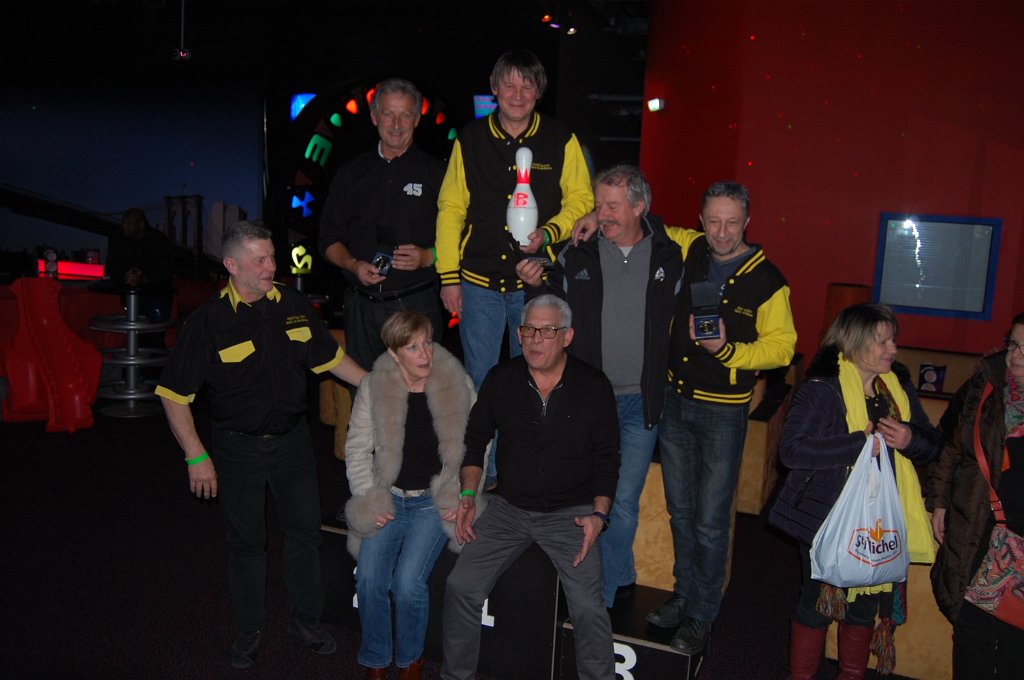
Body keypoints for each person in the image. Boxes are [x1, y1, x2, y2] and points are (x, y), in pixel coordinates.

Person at [155, 220, 367, 670]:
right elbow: (173, 395)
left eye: (272, 257)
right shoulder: (208, 322)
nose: (271, 266)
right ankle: (249, 629)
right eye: (260, 261)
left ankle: (306, 621)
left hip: (292, 443)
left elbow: (328, 357)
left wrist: (375, 384)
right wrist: (196, 455)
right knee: (247, 543)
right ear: (232, 266)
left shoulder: (292, 304)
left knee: (305, 534)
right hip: (237, 449)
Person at [516, 164, 683, 607]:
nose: (601, 214)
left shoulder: (670, 254)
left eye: (612, 206)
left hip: (641, 403)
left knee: (619, 502)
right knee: (582, 495)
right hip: (589, 400)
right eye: (598, 205)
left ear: (639, 206)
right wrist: (533, 286)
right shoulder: (578, 251)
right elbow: (550, 309)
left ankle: (599, 600)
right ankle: (618, 575)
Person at [435, 48, 594, 489]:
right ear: (494, 88)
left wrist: (549, 232)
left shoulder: (560, 139)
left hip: (536, 284)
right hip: (479, 282)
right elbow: (451, 209)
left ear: (538, 91)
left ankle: (524, 469)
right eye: (509, 84)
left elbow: (582, 200)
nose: (517, 93)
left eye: (527, 85)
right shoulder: (470, 139)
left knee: (536, 379)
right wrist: (449, 277)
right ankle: (482, 471)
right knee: (481, 381)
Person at [441, 294, 619, 680]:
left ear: (567, 336)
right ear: (519, 334)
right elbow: (475, 439)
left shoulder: (593, 386)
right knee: (460, 586)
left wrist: (599, 515)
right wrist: (468, 495)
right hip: (509, 508)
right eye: (528, 330)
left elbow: (607, 457)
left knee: (588, 608)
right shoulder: (501, 379)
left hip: (572, 513)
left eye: (547, 331)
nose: (535, 340)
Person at [769, 303, 942, 680]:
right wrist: (857, 445)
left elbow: (934, 444)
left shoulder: (897, 388)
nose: (893, 349)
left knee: (864, 609)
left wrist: (910, 438)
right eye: (883, 341)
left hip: (881, 517)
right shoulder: (822, 389)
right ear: (854, 341)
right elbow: (792, 451)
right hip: (825, 517)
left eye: (893, 340)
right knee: (817, 605)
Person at [343, 310, 485, 680]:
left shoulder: (456, 382)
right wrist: (368, 498)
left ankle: (410, 661)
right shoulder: (374, 387)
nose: (425, 354)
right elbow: (357, 449)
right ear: (394, 353)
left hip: (433, 500)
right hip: (388, 495)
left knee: (407, 584)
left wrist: (463, 495)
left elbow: (477, 445)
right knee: (369, 579)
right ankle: (377, 661)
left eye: (427, 343)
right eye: (412, 347)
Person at [319, 77, 446, 373]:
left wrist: (429, 256)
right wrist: (352, 265)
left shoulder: (438, 173)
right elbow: (327, 239)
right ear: (375, 117)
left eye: (405, 115)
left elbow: (464, 238)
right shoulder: (350, 173)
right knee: (365, 392)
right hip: (360, 307)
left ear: (416, 120)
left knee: (419, 393)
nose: (396, 124)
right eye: (388, 114)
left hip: (416, 304)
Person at [929, 311, 1024, 679]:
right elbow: (950, 446)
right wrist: (939, 501)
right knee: (972, 634)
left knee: (1017, 641)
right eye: (1013, 344)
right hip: (983, 528)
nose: (1016, 355)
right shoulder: (984, 386)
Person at [105, 207, 175, 322]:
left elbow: (166, 271)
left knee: (153, 328)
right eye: (123, 222)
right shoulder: (117, 239)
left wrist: (143, 278)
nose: (124, 226)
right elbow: (112, 266)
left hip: (156, 298)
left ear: (141, 225)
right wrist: (126, 276)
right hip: (128, 298)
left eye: (129, 223)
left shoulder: (159, 240)